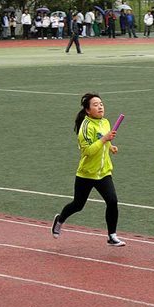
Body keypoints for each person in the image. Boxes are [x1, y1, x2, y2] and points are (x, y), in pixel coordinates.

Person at [51, 93, 124, 247]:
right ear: (87, 110)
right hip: (86, 174)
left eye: (101, 104)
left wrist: (110, 147)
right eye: (95, 105)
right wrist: (105, 139)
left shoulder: (105, 122)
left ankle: (112, 236)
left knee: (112, 201)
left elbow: (104, 141)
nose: (100, 107)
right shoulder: (85, 127)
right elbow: (88, 151)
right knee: (78, 205)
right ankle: (60, 219)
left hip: (103, 172)